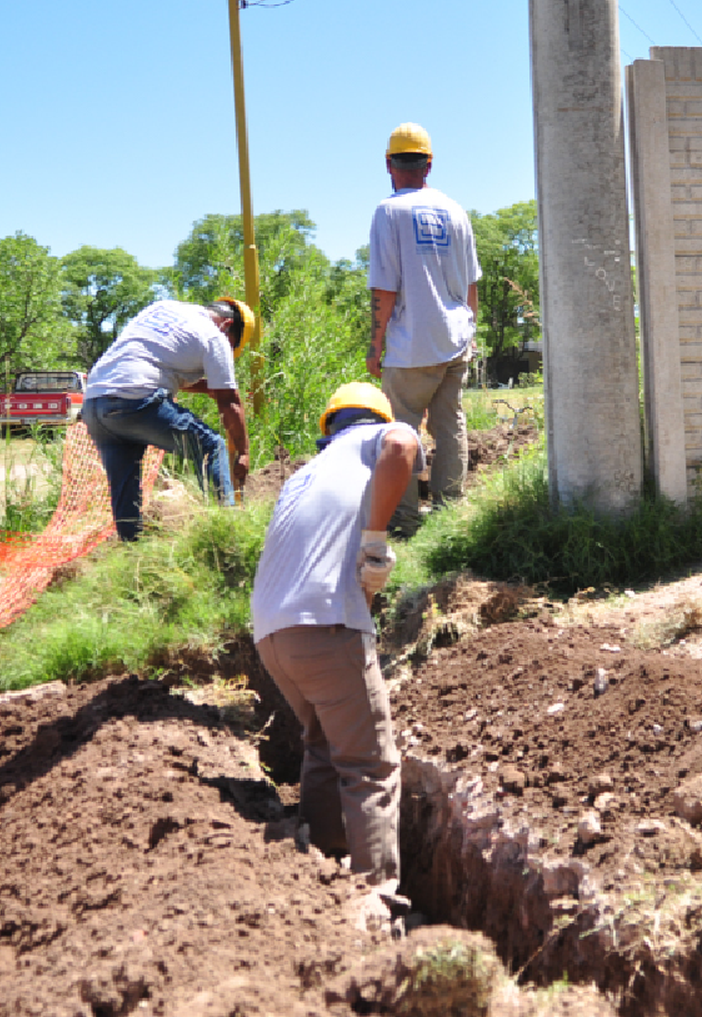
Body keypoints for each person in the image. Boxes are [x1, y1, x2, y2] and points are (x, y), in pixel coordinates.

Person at [250, 382, 422, 891]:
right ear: (373, 417)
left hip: (272, 635)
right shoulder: (381, 435)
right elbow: (403, 447)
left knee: (324, 745)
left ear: (330, 428)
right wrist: (375, 539)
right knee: (369, 765)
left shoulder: (305, 475)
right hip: (323, 625)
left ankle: (322, 874)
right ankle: (377, 899)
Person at [366, 122, 482, 536]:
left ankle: (405, 519)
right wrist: (470, 330)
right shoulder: (456, 210)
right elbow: (471, 283)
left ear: (388, 165)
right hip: (455, 338)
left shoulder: (389, 211)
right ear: (429, 164)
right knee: (450, 424)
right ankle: (451, 511)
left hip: (411, 345)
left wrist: (375, 345)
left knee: (400, 430)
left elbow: (385, 288)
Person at [82, 296, 255, 542]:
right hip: (136, 402)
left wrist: (207, 387)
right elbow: (230, 401)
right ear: (227, 325)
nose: (228, 348)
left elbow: (158, 365)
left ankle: (131, 551)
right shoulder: (215, 336)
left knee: (124, 485)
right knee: (211, 447)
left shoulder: (162, 309)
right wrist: (244, 452)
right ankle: (228, 531)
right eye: (232, 344)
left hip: (94, 405)